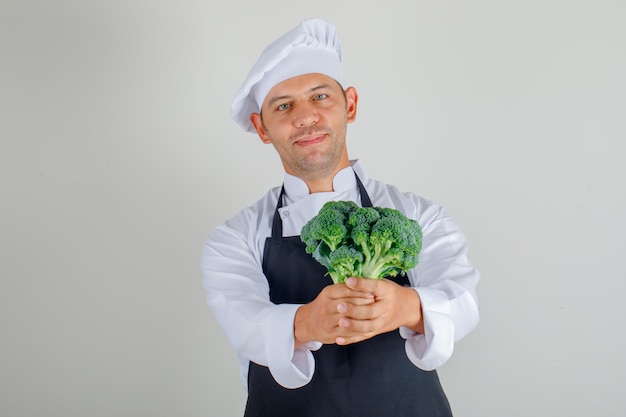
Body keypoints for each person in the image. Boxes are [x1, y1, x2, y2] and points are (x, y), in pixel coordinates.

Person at [202, 18, 480, 417]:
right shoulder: (235, 237)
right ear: (261, 128)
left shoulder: (420, 215)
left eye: (319, 97)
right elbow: (243, 320)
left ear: (350, 104)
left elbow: (464, 300)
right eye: (284, 106)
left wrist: (404, 307)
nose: (305, 117)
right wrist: (306, 322)